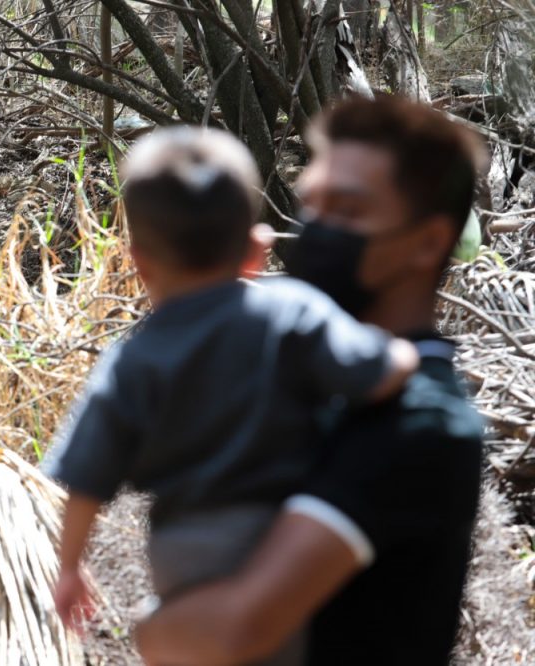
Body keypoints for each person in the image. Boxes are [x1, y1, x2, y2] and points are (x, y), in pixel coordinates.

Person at [43, 125, 419, 664]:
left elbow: (85, 481)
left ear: (139, 262)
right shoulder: (291, 310)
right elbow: (378, 371)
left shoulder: (132, 360)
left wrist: (69, 568)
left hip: (183, 551)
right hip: (288, 540)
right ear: (256, 250)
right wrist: (411, 351)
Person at [134, 94, 488, 666]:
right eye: (312, 207)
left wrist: (147, 628)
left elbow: (234, 631)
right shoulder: (307, 375)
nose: (318, 230)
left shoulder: (422, 422)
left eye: (347, 210)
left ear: (427, 241)